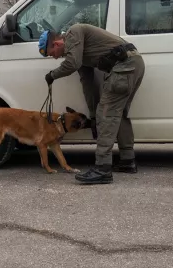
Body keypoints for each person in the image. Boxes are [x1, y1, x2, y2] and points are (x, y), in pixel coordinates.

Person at [38, 23, 145, 184]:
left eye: (51, 53)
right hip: (132, 65)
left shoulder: (74, 33)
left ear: (57, 43)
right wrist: (94, 115)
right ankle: (127, 160)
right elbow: (88, 85)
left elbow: (71, 64)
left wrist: (52, 75)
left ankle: (102, 169)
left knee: (107, 115)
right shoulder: (78, 53)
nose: (54, 57)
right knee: (117, 113)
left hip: (125, 67)